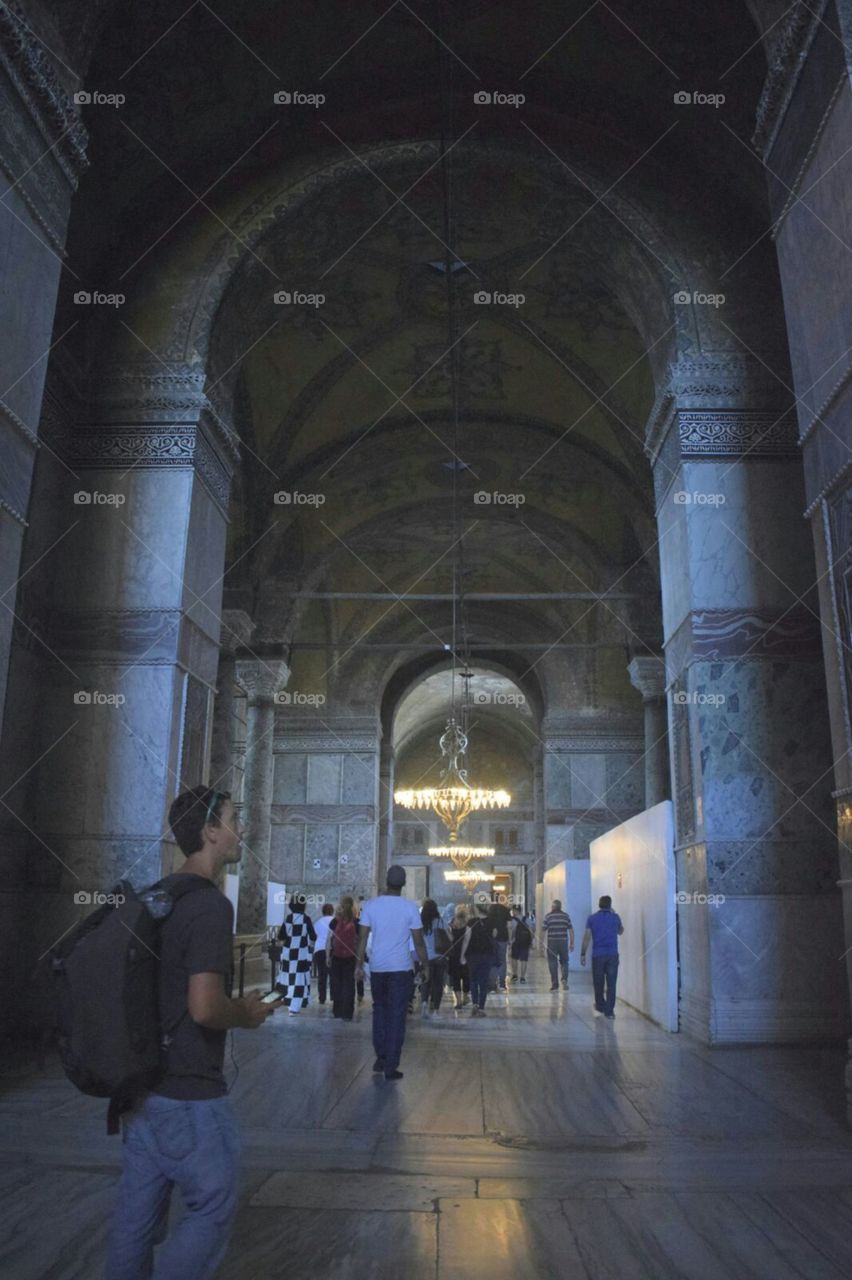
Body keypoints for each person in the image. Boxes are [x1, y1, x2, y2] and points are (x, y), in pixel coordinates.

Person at [105, 786, 278, 1280]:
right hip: (188, 1092)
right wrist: (244, 1014)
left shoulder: (159, 895)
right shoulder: (208, 906)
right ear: (210, 833)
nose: (240, 829)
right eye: (232, 820)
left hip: (142, 1088)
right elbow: (204, 1008)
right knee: (212, 1208)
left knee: (134, 1224)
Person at [355, 866, 428, 1080]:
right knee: (397, 1016)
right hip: (401, 969)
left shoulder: (371, 905)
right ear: (404, 883)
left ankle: (381, 1058)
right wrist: (426, 966)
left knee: (380, 1012)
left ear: (386, 881)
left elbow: (361, 939)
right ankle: (391, 1065)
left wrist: (358, 965)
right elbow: (419, 942)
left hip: (378, 967)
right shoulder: (410, 908)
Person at [581, 894, 624, 1018]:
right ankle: (609, 1011)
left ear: (599, 904)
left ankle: (600, 1005)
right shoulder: (615, 917)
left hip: (598, 955)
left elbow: (587, 937)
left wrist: (583, 953)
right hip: (612, 955)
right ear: (610, 905)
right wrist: (614, 915)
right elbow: (620, 931)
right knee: (611, 983)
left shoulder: (592, 919)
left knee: (598, 982)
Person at [277, 892, 316, 1015]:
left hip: (288, 952)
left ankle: (287, 1000)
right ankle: (294, 1006)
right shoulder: (306, 919)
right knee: (299, 979)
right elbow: (313, 936)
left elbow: (281, 935)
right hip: (301, 953)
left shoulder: (288, 918)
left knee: (288, 977)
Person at [460, 902, 496, 1016]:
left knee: (473, 980)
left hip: (472, 955)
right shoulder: (491, 921)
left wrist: (462, 955)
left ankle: (475, 1004)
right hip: (487, 954)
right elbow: (495, 935)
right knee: (483, 982)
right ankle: (481, 1007)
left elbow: (466, 939)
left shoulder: (471, 922)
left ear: (477, 909)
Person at [327, 895, 358, 1020]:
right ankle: (348, 1012)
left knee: (337, 984)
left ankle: (337, 1010)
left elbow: (329, 940)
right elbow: (359, 940)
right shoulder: (356, 922)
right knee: (349, 984)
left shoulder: (335, 921)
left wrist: (327, 956)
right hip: (351, 957)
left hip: (336, 956)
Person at [418, 898, 448, 1018]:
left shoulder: (420, 923)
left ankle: (424, 1004)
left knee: (426, 981)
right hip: (440, 956)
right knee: (438, 984)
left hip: (426, 957)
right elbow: (448, 936)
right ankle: (435, 1010)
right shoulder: (440, 922)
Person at [542, 898, 574, 991]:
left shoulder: (548, 916)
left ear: (553, 907)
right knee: (564, 961)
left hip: (552, 942)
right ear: (560, 907)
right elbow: (571, 930)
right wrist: (572, 943)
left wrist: (541, 944)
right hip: (563, 941)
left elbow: (543, 930)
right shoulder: (566, 916)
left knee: (552, 962)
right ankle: (564, 979)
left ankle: (555, 984)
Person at [446, 905, 471, 1008]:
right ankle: (465, 997)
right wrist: (462, 956)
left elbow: (450, 940)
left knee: (455, 978)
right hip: (464, 955)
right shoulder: (468, 927)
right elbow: (466, 942)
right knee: (466, 978)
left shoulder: (450, 925)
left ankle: (458, 1001)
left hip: (453, 955)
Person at [487, 895, 512, 991]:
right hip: (503, 938)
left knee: (492, 961)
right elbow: (509, 926)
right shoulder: (505, 910)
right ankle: (502, 984)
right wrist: (510, 940)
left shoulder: (488, 910)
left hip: (491, 939)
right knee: (502, 960)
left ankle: (492, 985)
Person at [312, 902, 334, 1005]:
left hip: (319, 949)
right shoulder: (335, 922)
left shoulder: (318, 922)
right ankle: (334, 996)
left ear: (323, 911)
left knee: (322, 975)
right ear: (332, 911)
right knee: (333, 975)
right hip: (331, 950)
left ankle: (322, 998)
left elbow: (314, 936)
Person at [510, 910, 533, 982]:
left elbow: (512, 931)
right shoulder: (527, 919)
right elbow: (531, 931)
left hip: (515, 942)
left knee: (514, 958)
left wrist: (510, 941)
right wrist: (531, 942)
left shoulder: (513, 920)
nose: (513, 912)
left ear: (515, 911)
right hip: (525, 942)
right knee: (524, 960)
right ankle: (522, 977)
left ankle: (515, 975)